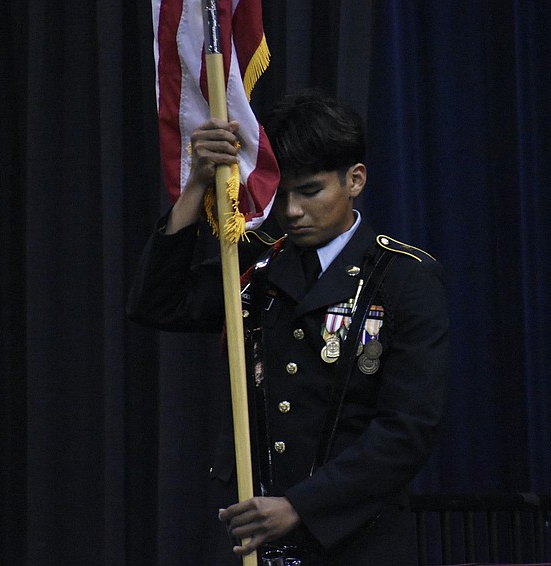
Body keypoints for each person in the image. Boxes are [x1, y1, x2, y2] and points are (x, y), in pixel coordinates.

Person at [128, 93, 449, 565]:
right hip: (255, 532)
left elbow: (408, 429)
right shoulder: (257, 265)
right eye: (280, 194)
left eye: (310, 191)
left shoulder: (404, 277)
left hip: (356, 538)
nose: (292, 211)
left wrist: (301, 506)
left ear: (355, 180)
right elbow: (158, 304)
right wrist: (196, 185)